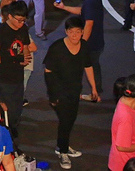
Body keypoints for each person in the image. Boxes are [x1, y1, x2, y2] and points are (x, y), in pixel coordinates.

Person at [43, 16, 100, 169]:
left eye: (78, 32)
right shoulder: (57, 48)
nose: (75, 35)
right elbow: (48, 71)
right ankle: (62, 151)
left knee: (70, 119)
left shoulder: (84, 47)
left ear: (82, 32)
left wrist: (94, 88)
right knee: (65, 120)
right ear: (66, 32)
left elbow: (88, 67)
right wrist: (53, 95)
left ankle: (64, 145)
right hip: (59, 91)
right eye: (71, 32)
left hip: (75, 90)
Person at [0, 0, 36, 137]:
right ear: (9, 16)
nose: (21, 23)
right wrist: (15, 59)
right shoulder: (0, 31)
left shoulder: (23, 29)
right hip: (3, 77)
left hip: (18, 75)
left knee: (17, 108)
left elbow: (25, 47)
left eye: (23, 20)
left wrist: (25, 57)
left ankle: (12, 128)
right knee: (5, 109)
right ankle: (4, 133)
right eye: (19, 20)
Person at [54, 0, 105, 100]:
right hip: (98, 41)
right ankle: (96, 91)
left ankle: (91, 93)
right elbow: (82, 11)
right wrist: (64, 7)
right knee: (93, 66)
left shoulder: (90, 2)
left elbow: (89, 23)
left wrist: (82, 43)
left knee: (81, 67)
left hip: (91, 43)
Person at [109, 74, 135, 171]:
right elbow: (121, 147)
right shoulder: (126, 117)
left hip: (130, 160)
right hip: (124, 165)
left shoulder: (129, 102)